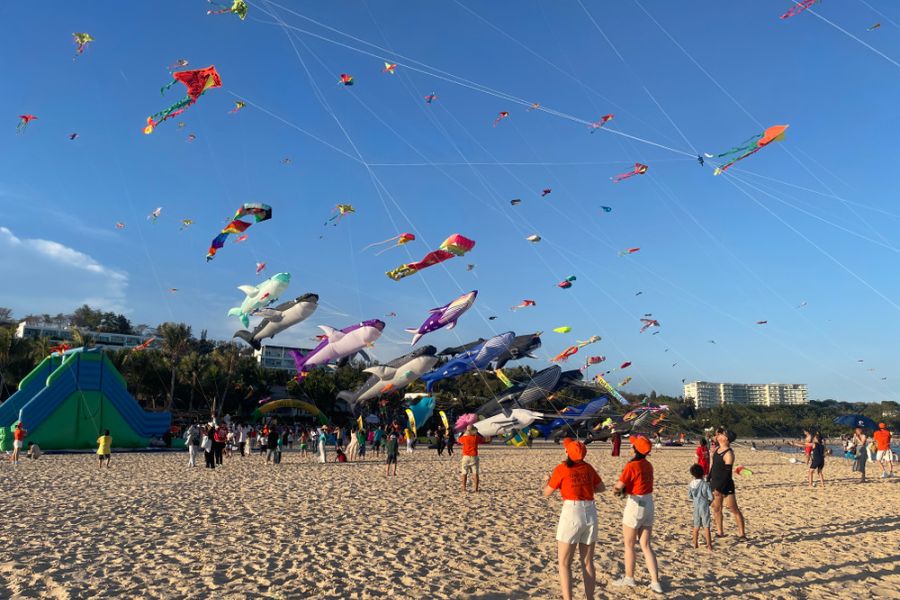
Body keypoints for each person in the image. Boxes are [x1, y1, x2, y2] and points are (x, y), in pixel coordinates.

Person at [542, 438, 605, 600]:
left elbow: (547, 493)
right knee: (587, 562)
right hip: (590, 511)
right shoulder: (588, 468)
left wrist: (548, 480)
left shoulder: (562, 468)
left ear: (567, 452)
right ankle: (590, 598)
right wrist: (586, 487)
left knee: (564, 563)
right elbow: (601, 488)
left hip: (572, 511)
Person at [611, 435, 661, 594]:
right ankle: (655, 582)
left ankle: (629, 578)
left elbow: (618, 488)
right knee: (646, 545)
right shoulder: (649, 465)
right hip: (649, 503)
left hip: (636, 504)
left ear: (636, 449)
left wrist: (618, 491)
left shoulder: (632, 465)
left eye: (632, 445)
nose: (630, 447)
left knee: (629, 545)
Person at [708, 427, 746, 539]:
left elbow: (727, 474)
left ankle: (742, 534)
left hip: (726, 485)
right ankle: (720, 532)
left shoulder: (729, 454)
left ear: (726, 439)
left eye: (722, 434)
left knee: (733, 508)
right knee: (716, 509)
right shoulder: (717, 449)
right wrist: (708, 480)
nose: (719, 435)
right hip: (715, 482)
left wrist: (719, 488)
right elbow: (713, 467)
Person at [688, 464, 713, 550]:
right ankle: (709, 545)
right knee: (706, 526)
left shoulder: (691, 484)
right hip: (704, 506)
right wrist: (709, 503)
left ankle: (695, 544)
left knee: (696, 526)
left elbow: (689, 496)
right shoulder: (705, 484)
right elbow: (711, 497)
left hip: (696, 506)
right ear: (702, 473)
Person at [459, 425, 486, 493]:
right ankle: (476, 489)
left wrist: (463, 433)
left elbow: (458, 440)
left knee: (464, 473)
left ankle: (464, 488)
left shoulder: (464, 438)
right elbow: (483, 439)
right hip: (474, 456)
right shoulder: (476, 438)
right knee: (475, 473)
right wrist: (477, 432)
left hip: (466, 456)